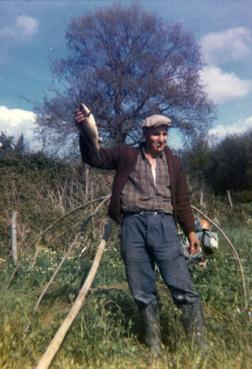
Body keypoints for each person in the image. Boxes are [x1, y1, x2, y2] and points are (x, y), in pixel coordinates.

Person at [74, 109, 206, 356]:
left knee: (183, 288)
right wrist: (84, 131)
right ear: (145, 134)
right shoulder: (127, 154)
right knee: (142, 291)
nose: (161, 139)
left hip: (165, 226)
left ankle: (199, 348)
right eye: (156, 134)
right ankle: (154, 347)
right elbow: (95, 158)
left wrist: (190, 232)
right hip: (132, 227)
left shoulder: (174, 162)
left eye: (165, 134)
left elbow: (183, 200)